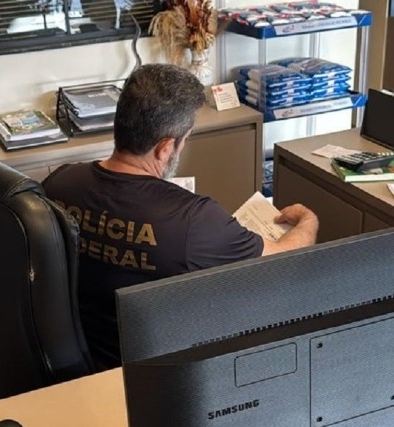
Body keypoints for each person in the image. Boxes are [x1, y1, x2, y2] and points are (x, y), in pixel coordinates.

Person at [42, 63, 319, 369]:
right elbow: (281, 257)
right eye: (185, 139)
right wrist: (309, 221)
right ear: (164, 148)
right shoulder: (193, 220)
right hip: (156, 375)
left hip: (76, 364)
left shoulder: (58, 184)